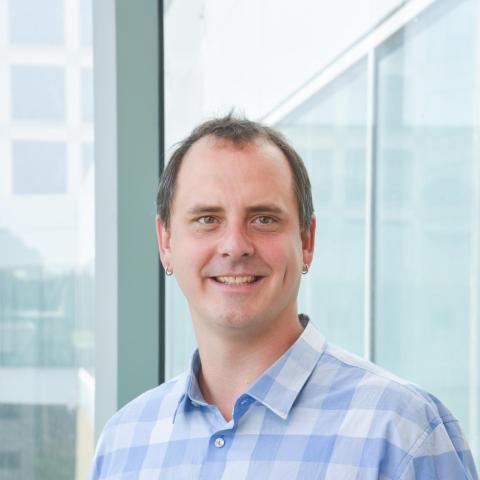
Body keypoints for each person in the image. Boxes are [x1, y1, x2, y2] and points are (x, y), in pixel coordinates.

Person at [90, 115, 478, 479]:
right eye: (207, 219)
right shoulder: (123, 443)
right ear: (166, 242)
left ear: (306, 241)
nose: (235, 246)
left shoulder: (402, 432)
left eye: (264, 219)